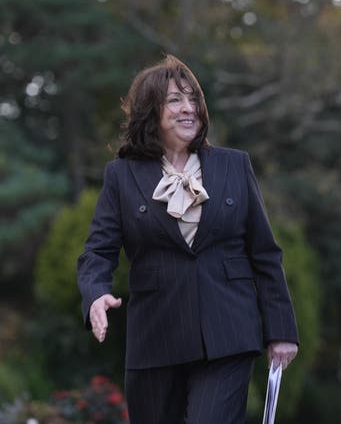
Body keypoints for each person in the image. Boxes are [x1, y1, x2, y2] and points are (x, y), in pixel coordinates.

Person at [77, 54, 299, 424]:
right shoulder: (122, 176)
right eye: (175, 100)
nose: (188, 108)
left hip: (228, 333)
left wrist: (281, 331)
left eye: (193, 98)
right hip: (155, 338)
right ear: (151, 111)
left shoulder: (234, 165)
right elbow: (97, 251)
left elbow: (264, 253)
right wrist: (95, 293)